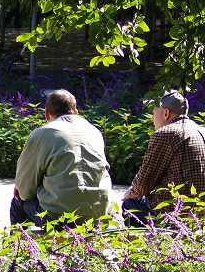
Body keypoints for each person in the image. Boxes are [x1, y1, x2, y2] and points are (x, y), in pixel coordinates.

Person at [11, 88, 113, 227]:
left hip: (60, 218)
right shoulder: (94, 131)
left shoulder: (42, 134)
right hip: (100, 215)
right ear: (76, 112)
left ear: (46, 114)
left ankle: (18, 247)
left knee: (17, 204)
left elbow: (24, 190)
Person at [120, 91, 205, 227]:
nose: (152, 119)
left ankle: (149, 246)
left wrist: (130, 193)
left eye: (154, 112)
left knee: (130, 205)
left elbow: (144, 182)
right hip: (200, 212)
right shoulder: (201, 130)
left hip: (173, 212)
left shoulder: (166, 133)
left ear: (166, 113)